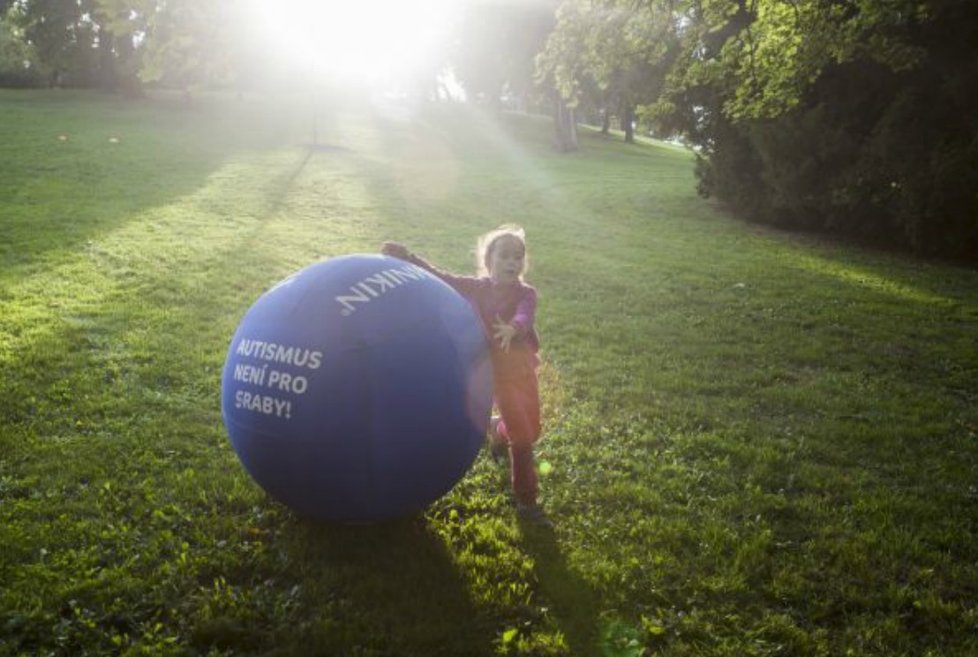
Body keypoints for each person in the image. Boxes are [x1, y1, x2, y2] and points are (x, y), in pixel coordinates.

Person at [382, 225, 551, 527]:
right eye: (505, 256)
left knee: (533, 429)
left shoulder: (526, 293)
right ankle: (527, 502)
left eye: (518, 257)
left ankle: (497, 430)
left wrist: (514, 327)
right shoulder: (476, 288)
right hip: (498, 375)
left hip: (524, 370)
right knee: (524, 438)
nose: (513, 262)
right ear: (489, 262)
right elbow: (441, 277)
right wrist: (407, 257)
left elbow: (525, 314)